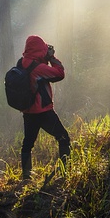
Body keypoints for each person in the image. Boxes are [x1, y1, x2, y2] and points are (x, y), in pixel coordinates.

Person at [18, 35, 71, 179]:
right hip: (43, 112)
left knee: (27, 144)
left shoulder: (22, 63)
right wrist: (52, 58)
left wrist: (44, 58)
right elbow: (59, 74)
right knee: (63, 138)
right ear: (39, 49)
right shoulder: (38, 68)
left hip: (28, 112)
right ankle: (65, 173)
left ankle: (26, 177)